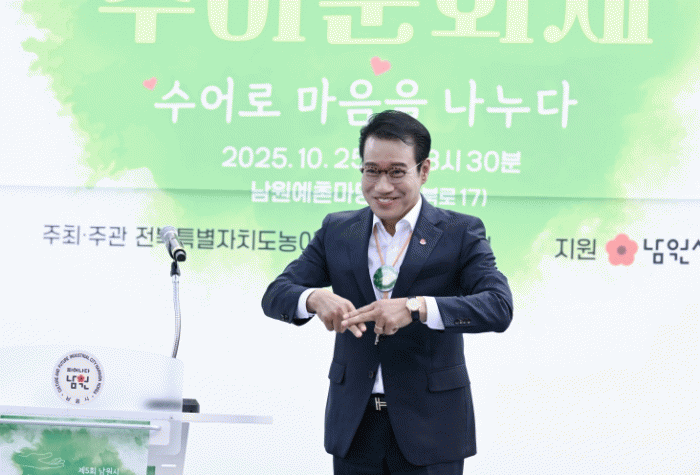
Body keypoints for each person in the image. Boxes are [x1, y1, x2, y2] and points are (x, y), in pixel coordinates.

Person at [261, 110, 513, 475]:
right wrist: (314, 298)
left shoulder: (459, 232)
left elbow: (498, 306)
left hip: (431, 428)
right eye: (371, 171)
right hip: (355, 426)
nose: (382, 186)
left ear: (423, 171)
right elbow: (277, 293)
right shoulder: (338, 230)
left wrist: (415, 307)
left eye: (396, 172)